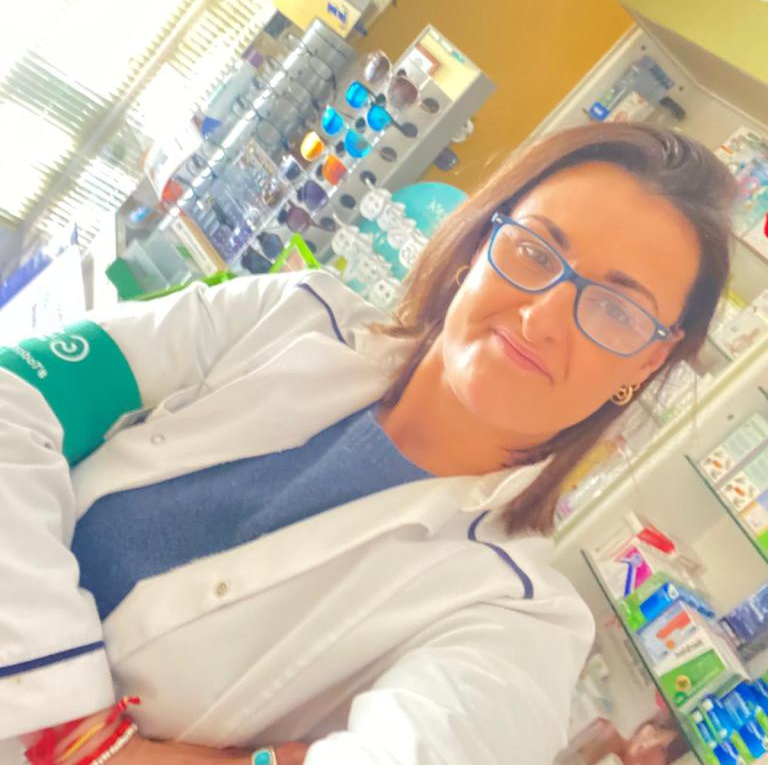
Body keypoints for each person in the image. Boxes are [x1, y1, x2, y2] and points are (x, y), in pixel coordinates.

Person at [1, 122, 736, 765]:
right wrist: (83, 740)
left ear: (647, 363)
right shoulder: (288, 314)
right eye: (536, 250)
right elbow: (12, 389)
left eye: (615, 309)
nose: (543, 318)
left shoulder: (519, 621)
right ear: (479, 243)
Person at [560, 712, 690, 765]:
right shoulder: (600, 729)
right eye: (655, 733)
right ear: (645, 726)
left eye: (662, 750)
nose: (649, 744)